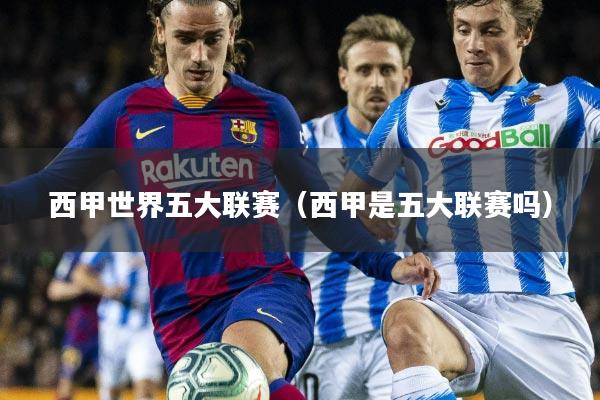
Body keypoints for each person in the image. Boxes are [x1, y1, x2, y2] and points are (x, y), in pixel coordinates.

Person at [0, 1, 439, 399]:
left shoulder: (269, 111)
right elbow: (46, 187)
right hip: (181, 314)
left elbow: (318, 207)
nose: (199, 55)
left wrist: (386, 264)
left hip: (266, 287)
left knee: (244, 372)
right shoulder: (124, 114)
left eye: (212, 39)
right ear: (160, 31)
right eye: (185, 38)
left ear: (232, 32)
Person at [340, 0, 599, 399]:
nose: (474, 44)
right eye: (463, 30)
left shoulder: (570, 101)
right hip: (449, 305)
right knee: (404, 324)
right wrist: (381, 235)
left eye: (491, 30)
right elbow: (348, 196)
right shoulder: (415, 106)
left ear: (524, 33)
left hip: (541, 313)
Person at [280, 14, 416, 399]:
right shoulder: (305, 143)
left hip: (395, 335)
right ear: (343, 77)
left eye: (387, 70)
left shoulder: (426, 151)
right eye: (364, 70)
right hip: (321, 338)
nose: (376, 82)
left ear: (406, 77)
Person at [72, 219, 164, 400]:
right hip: (114, 325)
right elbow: (79, 273)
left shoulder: (163, 234)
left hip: (148, 324)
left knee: (145, 385)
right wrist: (106, 290)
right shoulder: (112, 234)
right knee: (111, 389)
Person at [47, 250, 100, 400]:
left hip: (108, 333)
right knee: (66, 383)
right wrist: (87, 286)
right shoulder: (74, 255)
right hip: (78, 335)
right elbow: (54, 290)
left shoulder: (115, 254)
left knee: (108, 385)